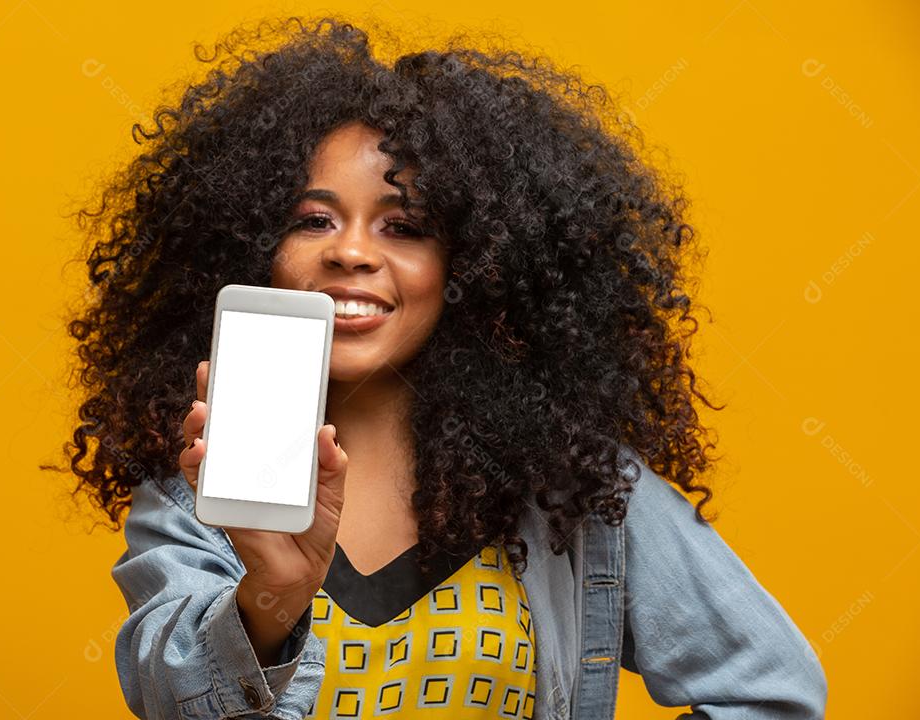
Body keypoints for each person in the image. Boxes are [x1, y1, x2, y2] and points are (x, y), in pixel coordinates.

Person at [54, 15, 827, 719]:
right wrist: (272, 596)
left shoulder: (573, 490)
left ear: (476, 263)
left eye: (406, 226)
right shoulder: (200, 493)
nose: (352, 251)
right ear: (257, 251)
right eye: (313, 219)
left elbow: (771, 692)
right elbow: (170, 700)